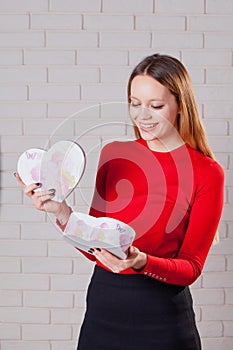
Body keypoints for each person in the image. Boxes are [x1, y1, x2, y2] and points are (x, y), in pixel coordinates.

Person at [15, 53, 224, 350]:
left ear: (180, 106)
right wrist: (60, 212)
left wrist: (140, 262)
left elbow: (191, 267)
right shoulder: (114, 155)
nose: (142, 116)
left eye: (156, 106)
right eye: (135, 103)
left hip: (163, 319)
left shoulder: (206, 172)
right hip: (104, 311)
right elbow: (95, 245)